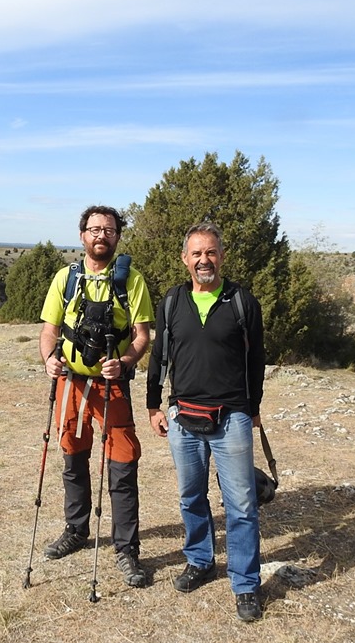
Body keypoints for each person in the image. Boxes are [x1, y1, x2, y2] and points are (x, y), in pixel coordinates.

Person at [146, 221, 266, 621]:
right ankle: (200, 560)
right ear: (185, 259)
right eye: (196, 253)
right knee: (190, 497)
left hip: (231, 416)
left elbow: (256, 360)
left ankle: (246, 583)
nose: (204, 260)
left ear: (222, 256)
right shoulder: (171, 302)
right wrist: (153, 405)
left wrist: (254, 408)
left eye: (210, 252)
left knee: (242, 504)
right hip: (183, 417)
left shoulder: (241, 301)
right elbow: (159, 356)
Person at [39, 205, 154, 587]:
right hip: (70, 381)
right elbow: (49, 331)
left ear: (118, 236)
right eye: (94, 229)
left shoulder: (131, 280)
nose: (101, 235)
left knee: (122, 464)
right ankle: (76, 529)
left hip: (112, 385)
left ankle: (126, 550)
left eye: (108, 229)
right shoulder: (65, 278)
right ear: (82, 235)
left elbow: (142, 335)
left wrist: (124, 361)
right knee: (73, 455)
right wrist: (48, 361)